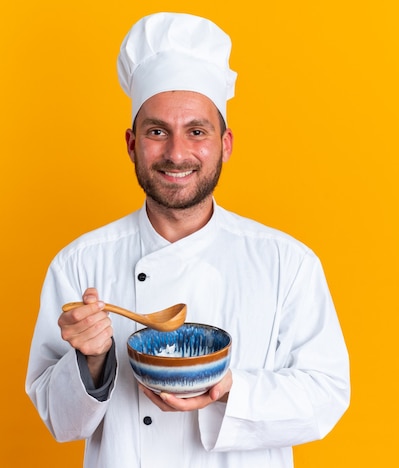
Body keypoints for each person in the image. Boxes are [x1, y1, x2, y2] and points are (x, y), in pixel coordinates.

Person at [25, 12, 350, 468]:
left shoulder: (286, 262)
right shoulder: (79, 264)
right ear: (132, 144)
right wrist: (92, 362)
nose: (176, 153)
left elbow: (326, 395)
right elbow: (60, 421)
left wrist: (228, 388)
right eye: (157, 131)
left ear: (226, 144)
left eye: (197, 131)